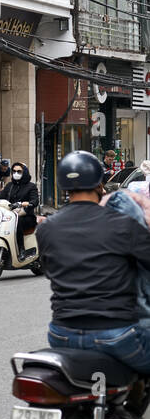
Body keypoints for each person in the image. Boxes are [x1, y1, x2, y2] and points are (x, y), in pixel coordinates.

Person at [36, 150, 150, 373]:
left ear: (63, 186)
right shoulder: (122, 223)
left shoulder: (47, 228)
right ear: (100, 184)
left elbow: (51, 270)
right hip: (117, 335)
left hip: (60, 334)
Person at [0, 160, 40, 245]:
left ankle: (21, 250)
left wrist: (26, 203)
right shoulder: (10, 185)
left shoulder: (31, 186)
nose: (16, 173)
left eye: (19, 171)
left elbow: (35, 201)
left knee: (17, 224)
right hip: (9, 215)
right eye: (14, 171)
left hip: (26, 216)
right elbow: (0, 197)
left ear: (24, 172)